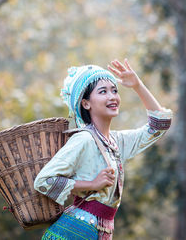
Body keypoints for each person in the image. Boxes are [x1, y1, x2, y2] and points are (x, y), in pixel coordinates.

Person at [34, 59, 173, 240]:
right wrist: (92, 185)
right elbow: (44, 181)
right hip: (73, 232)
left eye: (114, 90)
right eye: (103, 92)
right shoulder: (83, 139)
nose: (112, 96)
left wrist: (137, 85)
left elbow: (160, 125)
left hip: (99, 232)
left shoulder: (117, 141)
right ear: (86, 104)